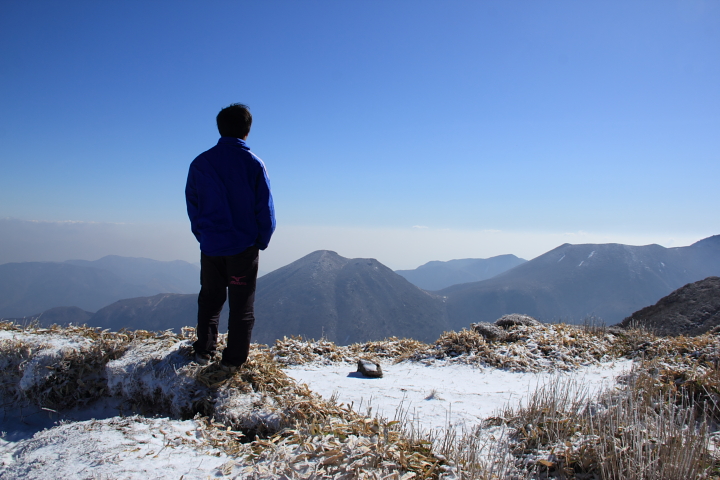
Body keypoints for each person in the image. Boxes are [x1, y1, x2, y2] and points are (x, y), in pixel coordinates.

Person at [185, 103, 275, 371]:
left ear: (220, 128)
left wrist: (203, 235)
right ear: (247, 131)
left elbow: (193, 205)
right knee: (241, 307)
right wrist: (262, 240)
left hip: (211, 247)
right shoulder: (253, 164)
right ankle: (233, 361)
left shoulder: (200, 163)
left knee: (210, 299)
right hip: (243, 249)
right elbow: (265, 208)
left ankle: (204, 349)